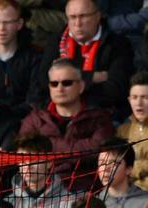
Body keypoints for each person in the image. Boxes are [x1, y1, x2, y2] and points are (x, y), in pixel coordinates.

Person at [19, 59, 114, 187]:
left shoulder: (99, 118)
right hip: (44, 190)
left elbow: (97, 152)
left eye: (67, 83)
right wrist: (79, 149)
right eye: (54, 84)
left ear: (81, 86)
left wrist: (49, 146)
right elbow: (24, 153)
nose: (60, 88)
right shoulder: (34, 119)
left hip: (86, 189)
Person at [39, 0, 134, 119]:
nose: (78, 23)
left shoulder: (117, 44)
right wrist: (92, 77)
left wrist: (69, 87)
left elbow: (116, 88)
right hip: (59, 114)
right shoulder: (56, 41)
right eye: (72, 17)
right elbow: (43, 81)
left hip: (103, 115)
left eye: (83, 16)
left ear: (97, 16)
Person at [7, 132, 79, 208]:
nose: (27, 166)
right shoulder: (8, 203)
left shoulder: (70, 202)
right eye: (22, 160)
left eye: (33, 160)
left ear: (50, 162)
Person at [116, 72, 148, 188]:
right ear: (129, 100)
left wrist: (131, 168)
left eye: (145, 98)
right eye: (134, 97)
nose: (138, 103)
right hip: (126, 195)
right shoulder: (122, 131)